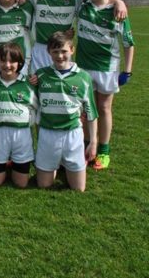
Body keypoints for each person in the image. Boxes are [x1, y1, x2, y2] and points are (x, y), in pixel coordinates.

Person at [76, 0, 134, 170]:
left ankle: (104, 151)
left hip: (107, 68)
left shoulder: (118, 13)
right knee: (84, 110)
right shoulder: (83, 4)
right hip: (83, 67)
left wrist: (127, 71)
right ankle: (85, 148)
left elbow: (128, 43)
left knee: (103, 108)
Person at [28, 0, 127, 73]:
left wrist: (118, 2)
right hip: (41, 50)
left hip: (63, 50)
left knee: (64, 86)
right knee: (39, 86)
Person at [35, 31, 98, 192]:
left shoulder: (83, 77)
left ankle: (67, 165)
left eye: (63, 51)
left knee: (78, 189)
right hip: (48, 134)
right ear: (49, 52)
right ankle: (55, 164)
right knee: (43, 185)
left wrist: (93, 142)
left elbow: (91, 111)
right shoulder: (41, 75)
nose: (60, 56)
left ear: (72, 50)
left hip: (73, 134)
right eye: (55, 52)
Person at [0, 43, 37, 188]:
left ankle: (13, 161)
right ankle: (4, 161)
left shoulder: (29, 83)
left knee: (21, 184)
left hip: (21, 135)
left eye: (12, 61)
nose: (7, 65)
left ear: (19, 62)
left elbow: (39, 109)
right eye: (3, 61)